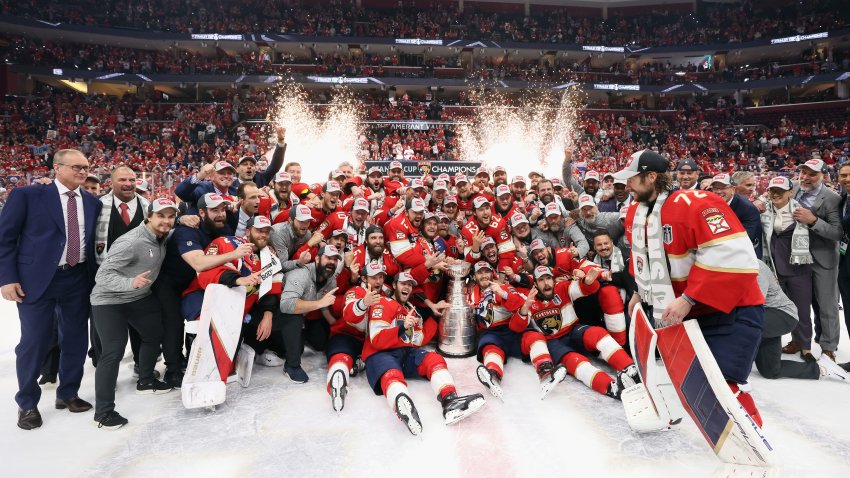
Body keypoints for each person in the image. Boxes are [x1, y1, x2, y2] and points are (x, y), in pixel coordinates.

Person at [616, 149, 766, 427]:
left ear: (651, 177)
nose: (627, 186)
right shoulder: (636, 212)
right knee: (695, 384)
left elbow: (735, 256)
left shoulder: (700, 203)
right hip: (685, 316)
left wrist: (689, 296)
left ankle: (752, 436)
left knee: (724, 385)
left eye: (632, 179)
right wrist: (639, 292)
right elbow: (643, 258)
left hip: (729, 310)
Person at [0, 149, 101, 430]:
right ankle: (27, 402)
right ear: (57, 167)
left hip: (78, 277)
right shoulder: (28, 195)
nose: (83, 172)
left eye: (86, 167)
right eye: (76, 167)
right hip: (36, 279)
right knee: (34, 341)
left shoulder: (92, 203)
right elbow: (5, 238)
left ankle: (68, 393)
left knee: (76, 340)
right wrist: (6, 278)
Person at [89, 198, 179, 429]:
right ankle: (104, 412)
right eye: (161, 215)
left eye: (171, 216)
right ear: (148, 216)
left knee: (153, 335)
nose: (166, 221)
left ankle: (146, 379)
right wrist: (130, 283)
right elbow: (102, 276)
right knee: (112, 352)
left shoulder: (163, 235)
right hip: (109, 300)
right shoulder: (131, 242)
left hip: (139, 297)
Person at [363, 272, 485, 436]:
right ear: (394, 285)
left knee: (434, 359)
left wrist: (435, 317)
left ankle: (450, 402)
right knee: (391, 374)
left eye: (410, 284)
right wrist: (402, 327)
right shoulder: (382, 303)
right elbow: (377, 339)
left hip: (406, 353)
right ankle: (405, 408)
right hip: (380, 353)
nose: (407, 287)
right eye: (403, 283)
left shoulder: (411, 311)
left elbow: (418, 339)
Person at [154, 193, 251, 387]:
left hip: (197, 283)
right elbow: (198, 263)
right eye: (214, 210)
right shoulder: (187, 230)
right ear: (201, 212)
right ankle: (173, 369)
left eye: (223, 209)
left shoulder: (224, 226)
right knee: (174, 324)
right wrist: (234, 253)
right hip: (171, 282)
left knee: (207, 316)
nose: (220, 214)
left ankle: (200, 357)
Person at [510, 266, 639, 398]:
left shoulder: (563, 287)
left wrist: (588, 281)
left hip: (572, 331)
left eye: (548, 278)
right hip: (552, 342)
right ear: (535, 284)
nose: (546, 283)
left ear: (553, 280)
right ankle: (611, 387)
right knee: (575, 361)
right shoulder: (528, 298)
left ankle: (630, 368)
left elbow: (588, 288)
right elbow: (515, 327)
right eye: (541, 280)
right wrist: (525, 307)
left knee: (597, 333)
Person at [468, 262, 567, 400]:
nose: (484, 275)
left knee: (534, 336)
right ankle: (493, 375)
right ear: (474, 276)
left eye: (487, 272)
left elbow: (522, 303)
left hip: (512, 331)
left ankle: (546, 371)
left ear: (493, 273)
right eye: (480, 272)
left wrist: (503, 293)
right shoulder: (472, 292)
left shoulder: (503, 287)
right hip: (492, 334)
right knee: (489, 346)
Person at [753, 260, 847, 382]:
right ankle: (822, 368)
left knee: (745, 322)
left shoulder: (755, 267)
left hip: (782, 315)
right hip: (767, 316)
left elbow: (753, 305)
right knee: (770, 370)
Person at [759, 176, 816, 361]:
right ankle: (784, 343)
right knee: (775, 309)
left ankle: (805, 345)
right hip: (773, 269)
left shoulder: (803, 211)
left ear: (790, 192)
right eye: (772, 190)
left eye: (780, 191)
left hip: (798, 268)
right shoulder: (763, 212)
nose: (775, 194)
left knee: (802, 309)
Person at [791, 158, 842, 361]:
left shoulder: (832, 198)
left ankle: (828, 346)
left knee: (827, 304)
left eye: (812, 174)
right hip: (795, 257)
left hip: (823, 257)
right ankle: (799, 340)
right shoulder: (792, 189)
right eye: (804, 172)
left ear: (823, 176)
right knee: (798, 303)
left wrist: (813, 221)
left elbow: (838, 232)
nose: (806, 177)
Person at [278, 245, 342, 383]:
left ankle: (299, 338)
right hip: (277, 318)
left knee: (320, 343)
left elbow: (324, 306)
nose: (332, 262)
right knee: (293, 319)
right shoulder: (301, 273)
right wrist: (320, 303)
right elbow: (286, 305)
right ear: (317, 258)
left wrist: (335, 326)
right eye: (328, 258)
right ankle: (291, 365)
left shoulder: (331, 280)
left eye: (335, 259)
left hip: (305, 317)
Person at [327, 262, 386, 412]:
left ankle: (357, 362)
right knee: (342, 352)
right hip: (345, 334)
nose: (378, 281)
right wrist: (363, 303)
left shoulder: (385, 295)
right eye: (374, 278)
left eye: (381, 277)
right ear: (365, 279)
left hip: (367, 342)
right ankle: (338, 376)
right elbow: (349, 314)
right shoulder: (355, 291)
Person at [710, 173, 762, 259]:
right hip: (719, 255)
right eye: (715, 188)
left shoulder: (748, 208)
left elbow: (745, 239)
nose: (719, 191)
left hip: (744, 257)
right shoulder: (709, 204)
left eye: (723, 188)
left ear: (733, 189)